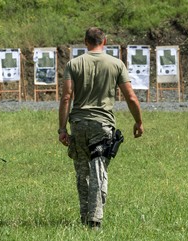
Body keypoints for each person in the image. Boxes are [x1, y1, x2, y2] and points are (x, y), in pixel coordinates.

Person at [58, 27, 144, 230]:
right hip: (102, 124)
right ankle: (95, 219)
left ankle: (84, 216)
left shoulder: (74, 64)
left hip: (78, 124)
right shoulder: (116, 64)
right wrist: (138, 121)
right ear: (105, 41)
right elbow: (130, 97)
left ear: (85, 41)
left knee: (82, 172)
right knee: (99, 171)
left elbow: (67, 97)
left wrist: (62, 129)